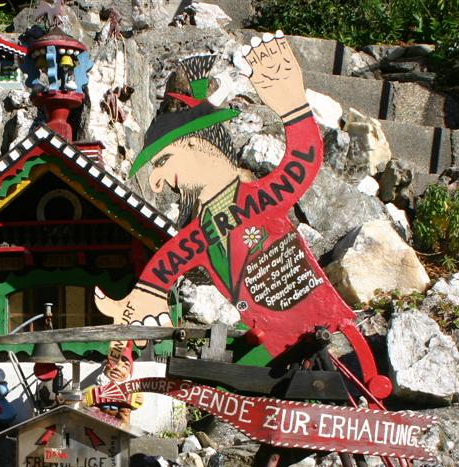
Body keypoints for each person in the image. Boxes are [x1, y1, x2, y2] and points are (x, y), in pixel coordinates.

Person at [94, 33, 388, 397]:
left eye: (162, 162)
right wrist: (130, 323)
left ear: (193, 144)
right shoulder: (197, 236)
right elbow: (160, 272)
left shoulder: (260, 198)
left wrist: (291, 103)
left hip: (312, 328)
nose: (156, 183)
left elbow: (302, 159)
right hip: (279, 343)